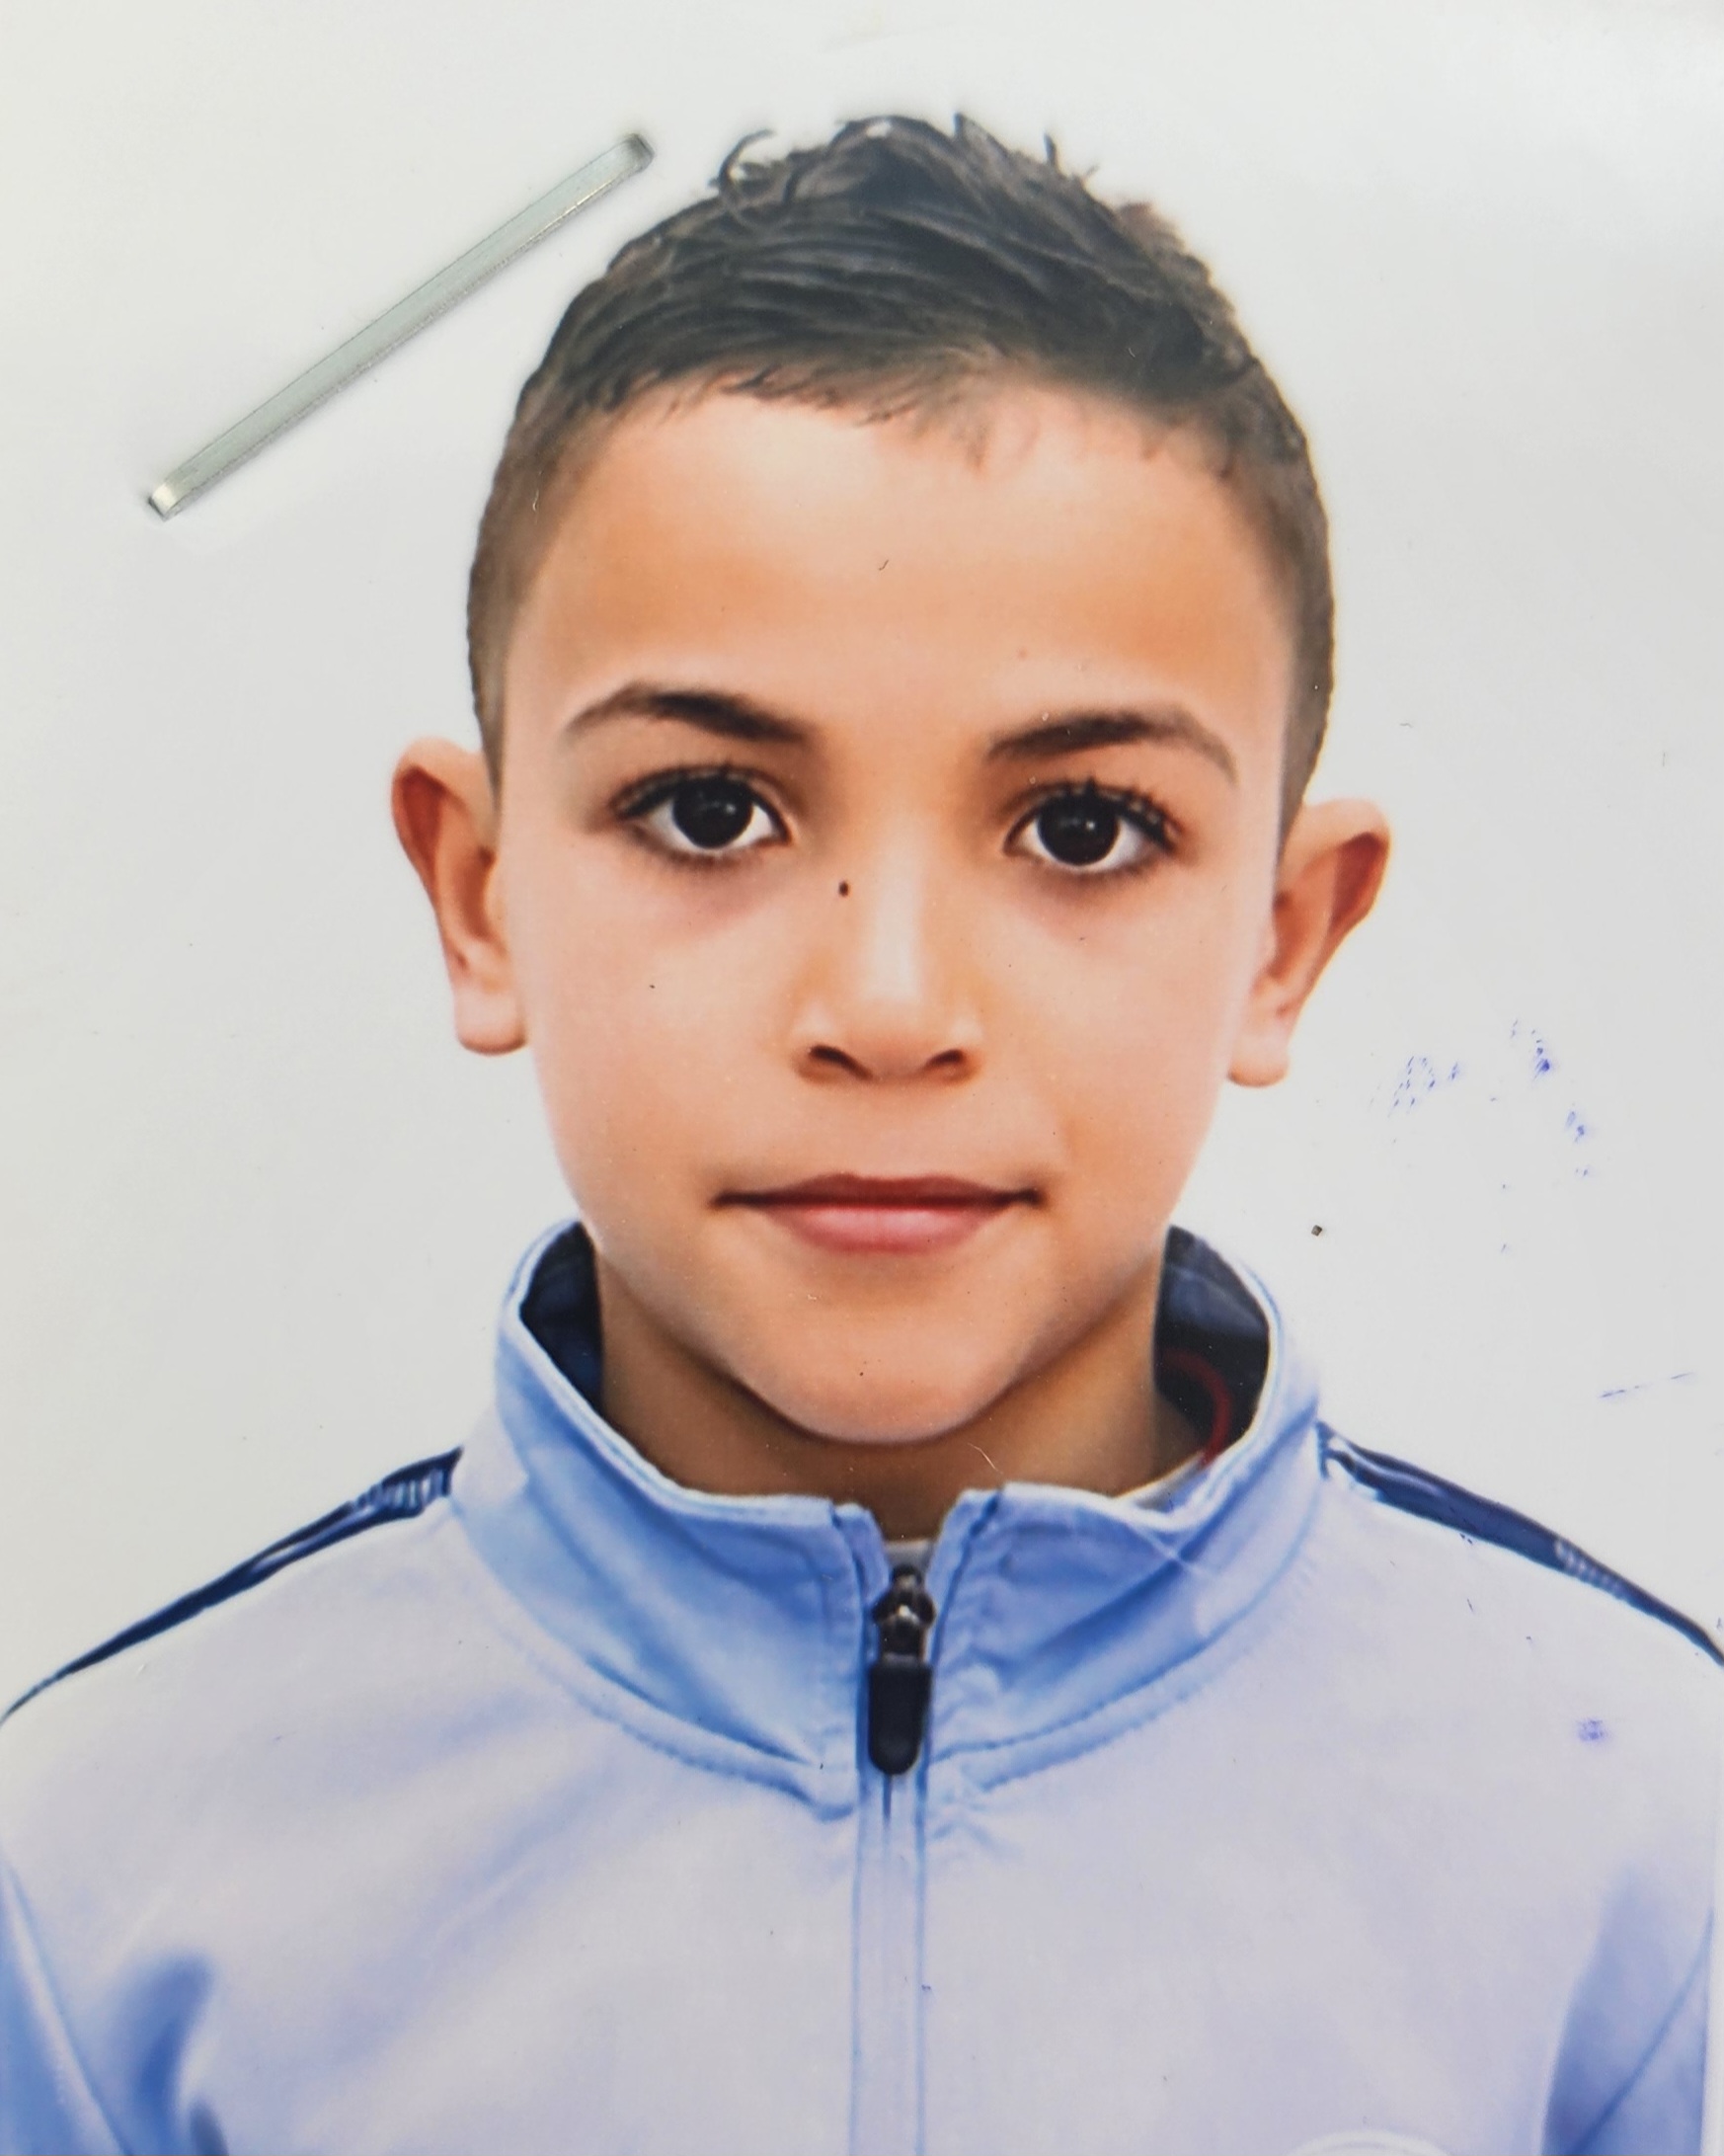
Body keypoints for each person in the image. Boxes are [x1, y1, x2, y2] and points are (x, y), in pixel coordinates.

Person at [0, 116, 1715, 2156]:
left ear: (1283, 936)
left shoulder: (1639, 1853)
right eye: (710, 810)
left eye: (1082, 828)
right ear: (479, 895)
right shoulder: (102, 1894)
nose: (890, 1007)